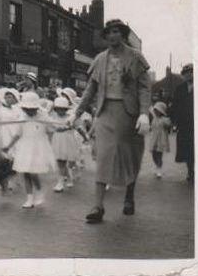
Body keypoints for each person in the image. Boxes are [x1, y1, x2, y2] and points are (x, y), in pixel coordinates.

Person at [73, 19, 151, 223]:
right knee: (104, 157)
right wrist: (77, 113)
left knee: (129, 156)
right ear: (105, 36)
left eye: (116, 32)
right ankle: (98, 206)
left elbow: (144, 88)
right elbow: (90, 89)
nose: (112, 36)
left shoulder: (136, 57)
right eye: (109, 32)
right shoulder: (99, 59)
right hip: (105, 112)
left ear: (123, 34)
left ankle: (129, 196)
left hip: (129, 114)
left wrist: (144, 113)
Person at [11, 92, 57, 208]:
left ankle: (39, 190)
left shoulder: (44, 116)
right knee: (25, 172)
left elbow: (51, 129)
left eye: (31, 109)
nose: (28, 111)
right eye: (26, 109)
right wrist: (9, 145)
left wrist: (49, 144)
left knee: (33, 173)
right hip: (25, 146)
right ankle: (29, 198)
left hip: (38, 147)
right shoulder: (21, 117)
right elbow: (18, 133)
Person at [0, 88, 22, 193]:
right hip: (3, 136)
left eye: (10, 97)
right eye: (6, 97)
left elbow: (21, 125)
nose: (8, 99)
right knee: (3, 160)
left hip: (14, 136)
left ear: (15, 98)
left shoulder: (18, 110)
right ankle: (4, 181)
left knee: (14, 159)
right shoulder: (0, 110)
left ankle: (12, 179)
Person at [50, 97, 79, 193]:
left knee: (63, 161)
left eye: (62, 109)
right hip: (57, 140)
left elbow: (77, 126)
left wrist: (69, 127)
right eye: (58, 108)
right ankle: (65, 180)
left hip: (67, 140)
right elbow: (50, 126)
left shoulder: (70, 117)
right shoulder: (53, 117)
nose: (60, 111)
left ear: (66, 109)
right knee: (60, 161)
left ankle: (63, 181)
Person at [171, 63, 194, 182]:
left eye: (190, 72)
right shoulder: (180, 89)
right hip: (184, 125)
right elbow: (175, 106)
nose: (188, 75)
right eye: (185, 73)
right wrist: (174, 121)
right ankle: (190, 171)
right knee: (187, 149)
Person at [148, 101, 171, 179]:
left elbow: (168, 125)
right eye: (155, 110)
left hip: (161, 140)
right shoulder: (154, 118)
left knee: (159, 156)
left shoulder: (164, 119)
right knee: (154, 155)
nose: (155, 111)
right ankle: (157, 165)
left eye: (157, 110)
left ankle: (159, 168)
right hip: (154, 140)